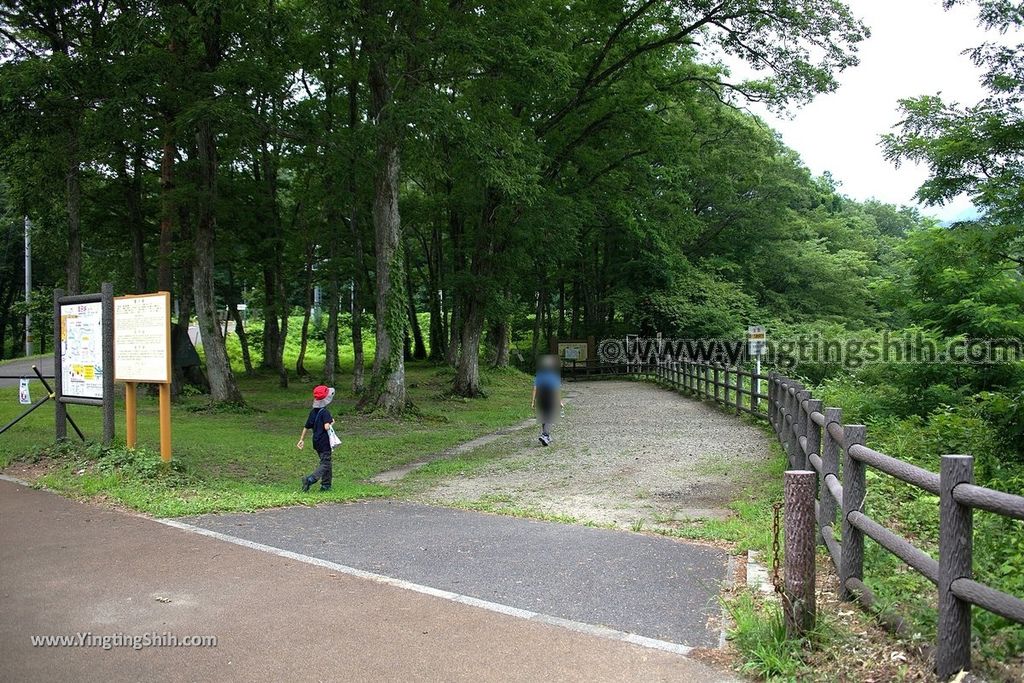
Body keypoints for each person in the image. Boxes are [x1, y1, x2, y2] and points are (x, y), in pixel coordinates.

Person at [297, 385, 336, 492]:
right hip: (324, 442)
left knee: (326, 461)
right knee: (326, 463)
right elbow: (326, 427)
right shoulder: (325, 412)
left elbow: (306, 426)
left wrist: (301, 440)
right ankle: (310, 479)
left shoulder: (313, 412)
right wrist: (332, 422)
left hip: (316, 441)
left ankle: (326, 485)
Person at [531, 355, 563, 446]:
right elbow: (556, 390)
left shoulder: (539, 375)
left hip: (540, 397)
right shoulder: (554, 376)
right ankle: (545, 435)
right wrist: (559, 401)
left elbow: (535, 388)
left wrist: (533, 401)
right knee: (550, 416)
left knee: (544, 416)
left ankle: (547, 435)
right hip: (550, 397)